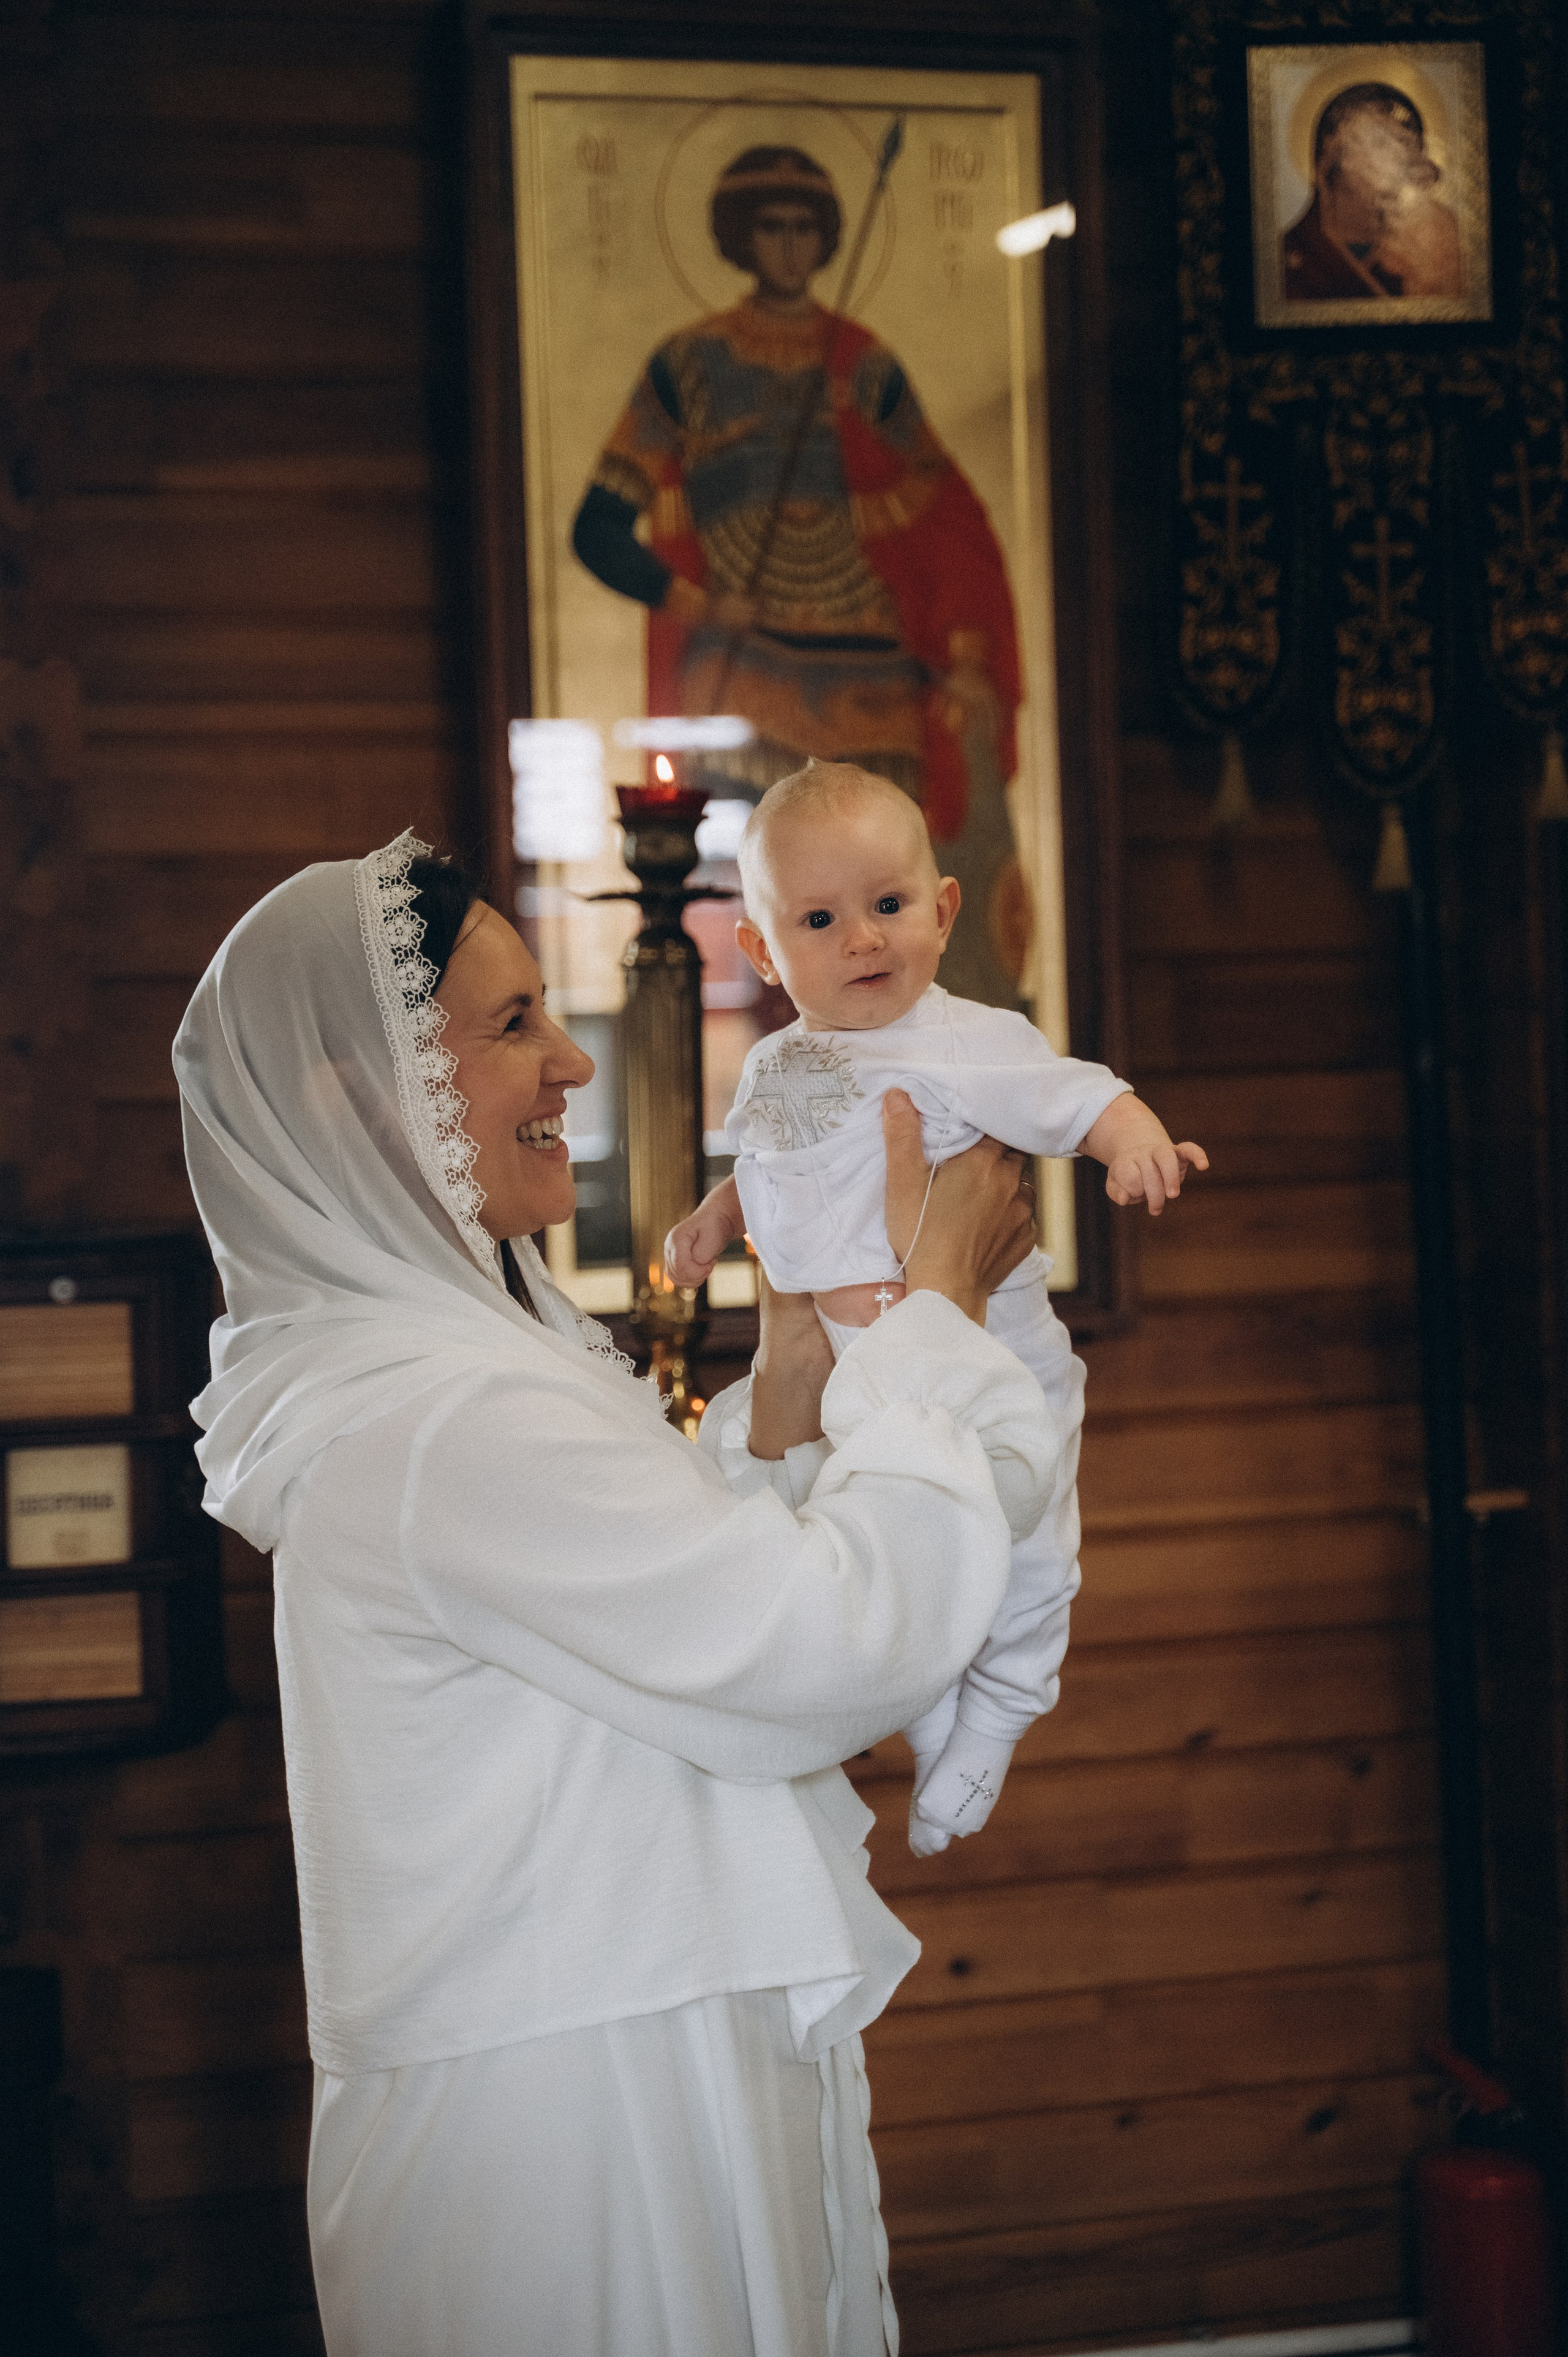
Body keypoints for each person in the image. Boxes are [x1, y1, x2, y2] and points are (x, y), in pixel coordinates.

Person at [172, 826, 1055, 2357]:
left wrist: (791, 1356)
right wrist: (942, 1311)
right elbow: (822, 1647)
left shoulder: (462, 1376)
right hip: (575, 2124)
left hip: (617, 2044)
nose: (568, 1065)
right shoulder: (445, 1417)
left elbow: (697, 1609)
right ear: (357, 1092)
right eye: (510, 1023)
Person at [666, 765, 1207, 1856]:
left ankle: (1001, 1707)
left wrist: (1134, 1140)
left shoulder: (973, 1041)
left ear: (945, 911)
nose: (863, 938)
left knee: (1025, 1531)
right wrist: (714, 1221)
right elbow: (778, 1165)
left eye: (888, 905)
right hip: (857, 1374)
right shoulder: (776, 1065)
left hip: (989, 1348)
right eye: (820, 918)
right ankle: (921, 1704)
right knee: (875, 1532)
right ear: (765, 952)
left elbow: (1079, 1092)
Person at [572, 143, 1026, 1009]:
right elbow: (598, 528)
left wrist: (964, 651)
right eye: (770, 227)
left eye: (805, 229)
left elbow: (942, 513)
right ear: (739, 239)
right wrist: (700, 603)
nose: (788, 246)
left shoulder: (862, 364)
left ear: (826, 242)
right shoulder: (687, 366)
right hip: (746, 674)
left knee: (887, 922)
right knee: (773, 919)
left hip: (871, 669)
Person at [1283, 81, 1462, 302]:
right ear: (1333, 159)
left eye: (1409, 145)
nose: (1403, 159)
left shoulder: (1426, 256)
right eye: (1381, 142)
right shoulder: (1285, 260)